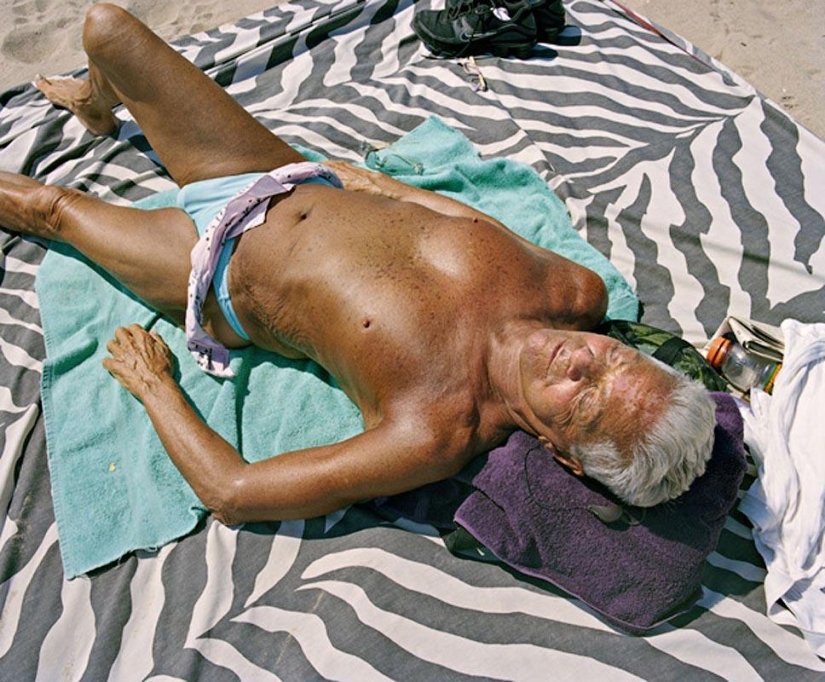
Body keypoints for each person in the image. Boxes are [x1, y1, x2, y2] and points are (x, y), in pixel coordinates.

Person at [0, 4, 716, 525]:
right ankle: (97, 107)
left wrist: (154, 385)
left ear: (561, 452)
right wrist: (381, 185)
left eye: (582, 399)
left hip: (211, 269)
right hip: (277, 176)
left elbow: (235, 494)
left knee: (50, 209)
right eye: (616, 363)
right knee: (105, 29)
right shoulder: (574, 290)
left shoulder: (434, 429)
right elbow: (473, 224)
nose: (582, 362)